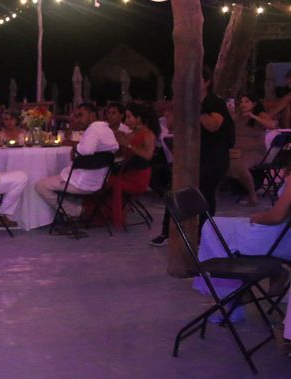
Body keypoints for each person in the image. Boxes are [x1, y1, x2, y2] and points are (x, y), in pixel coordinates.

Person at [152, 68, 235, 246]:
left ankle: (204, 235)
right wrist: (177, 104)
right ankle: (167, 232)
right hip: (191, 155)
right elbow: (172, 126)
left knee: (205, 193)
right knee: (174, 189)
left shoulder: (214, 102)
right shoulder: (185, 100)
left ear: (206, 82)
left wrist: (197, 107)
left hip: (214, 155)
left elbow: (213, 126)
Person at [192, 174, 291, 324]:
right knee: (221, 227)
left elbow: (276, 217)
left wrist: (257, 218)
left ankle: (236, 299)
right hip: (283, 238)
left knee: (212, 228)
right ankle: (248, 287)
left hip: (279, 240)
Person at [34, 103, 119, 221]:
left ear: (92, 115)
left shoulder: (94, 129)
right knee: (61, 175)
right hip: (100, 180)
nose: (78, 119)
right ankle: (69, 213)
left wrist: (76, 148)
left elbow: (87, 150)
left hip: (84, 182)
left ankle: (76, 212)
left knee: (40, 185)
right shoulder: (106, 129)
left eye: (81, 115)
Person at [106, 103, 158, 229]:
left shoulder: (148, 134)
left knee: (110, 183)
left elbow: (148, 156)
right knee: (102, 180)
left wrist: (128, 145)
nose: (126, 120)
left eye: (129, 117)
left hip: (138, 176)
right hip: (126, 172)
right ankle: (104, 214)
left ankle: (114, 216)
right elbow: (124, 154)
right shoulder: (130, 134)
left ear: (139, 119)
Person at [226, 94, 275, 206]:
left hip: (254, 152)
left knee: (239, 166)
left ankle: (252, 194)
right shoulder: (238, 115)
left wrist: (253, 116)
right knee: (221, 163)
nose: (243, 104)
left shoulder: (260, 114)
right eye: (241, 101)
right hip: (236, 151)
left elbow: (272, 125)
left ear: (254, 104)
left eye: (246, 101)